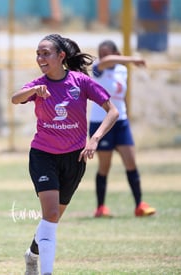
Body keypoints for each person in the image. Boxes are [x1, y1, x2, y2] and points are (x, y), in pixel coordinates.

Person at [11, 33, 119, 275]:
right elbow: (15, 98)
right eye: (38, 54)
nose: (40, 58)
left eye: (45, 53)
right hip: (43, 156)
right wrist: (33, 91)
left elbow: (112, 111)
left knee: (52, 219)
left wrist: (94, 139)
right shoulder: (39, 84)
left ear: (61, 56)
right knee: (49, 213)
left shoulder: (80, 82)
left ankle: (31, 255)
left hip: (74, 158)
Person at [89, 40, 156, 218]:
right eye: (101, 53)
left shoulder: (122, 70)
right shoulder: (98, 68)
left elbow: (121, 97)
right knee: (105, 166)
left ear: (116, 53)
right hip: (101, 122)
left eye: (107, 52)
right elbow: (106, 61)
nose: (104, 56)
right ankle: (101, 207)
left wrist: (126, 112)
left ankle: (139, 205)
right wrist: (133, 58)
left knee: (131, 163)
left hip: (121, 122)